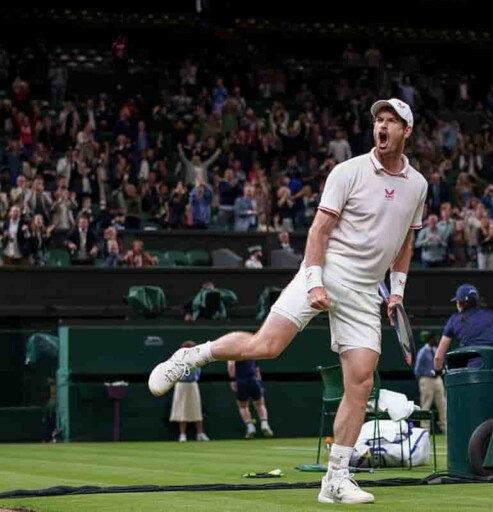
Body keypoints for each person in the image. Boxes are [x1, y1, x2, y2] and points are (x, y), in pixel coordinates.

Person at [148, 98, 427, 505]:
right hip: (327, 270)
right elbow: (318, 231)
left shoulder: (418, 185)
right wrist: (313, 280)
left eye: (391, 121)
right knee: (267, 347)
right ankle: (189, 358)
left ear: (406, 132)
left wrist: (397, 289)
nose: (382, 127)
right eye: (378, 120)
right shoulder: (347, 172)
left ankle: (335, 479)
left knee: (361, 381)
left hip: (368, 290)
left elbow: (405, 240)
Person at [432, 284, 493, 372]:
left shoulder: (453, 320)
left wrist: (438, 372)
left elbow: (438, 358)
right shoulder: (490, 311)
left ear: (459, 303)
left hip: (476, 372)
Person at [169, 341, 210, 442]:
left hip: (192, 385)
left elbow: (198, 372)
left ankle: (200, 434)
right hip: (181, 385)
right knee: (182, 410)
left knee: (196, 409)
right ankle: (182, 435)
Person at [228, 359, 274, 439]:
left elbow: (231, 365)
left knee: (243, 406)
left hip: (241, 381)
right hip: (254, 380)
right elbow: (257, 370)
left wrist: (232, 380)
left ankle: (250, 427)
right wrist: (260, 382)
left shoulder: (233, 352)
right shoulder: (251, 352)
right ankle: (264, 424)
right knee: (260, 404)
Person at [414, 331, 446, 433]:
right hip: (426, 379)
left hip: (437, 379)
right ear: (430, 339)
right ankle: (424, 430)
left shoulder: (436, 350)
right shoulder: (423, 352)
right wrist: (425, 376)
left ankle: (445, 428)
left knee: (442, 404)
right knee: (426, 405)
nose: (437, 340)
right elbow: (417, 369)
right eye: (435, 338)